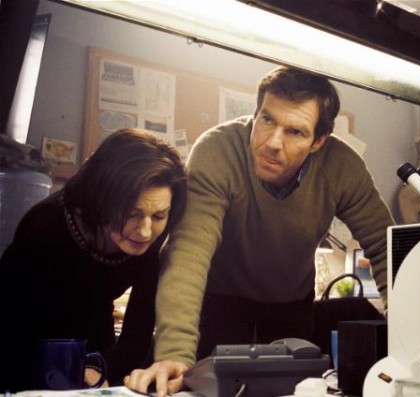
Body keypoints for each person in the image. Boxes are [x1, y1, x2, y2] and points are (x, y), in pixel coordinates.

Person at [125, 66, 395, 396]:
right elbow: (188, 252)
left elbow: (388, 249)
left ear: (318, 141)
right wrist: (174, 354)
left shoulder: (343, 167)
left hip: (291, 305)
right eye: (266, 120)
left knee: (297, 390)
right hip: (219, 299)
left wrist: (411, 338)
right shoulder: (217, 151)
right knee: (204, 387)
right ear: (255, 113)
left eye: (295, 132)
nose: (272, 143)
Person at [0, 128, 187, 391]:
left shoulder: (153, 240)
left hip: (96, 326)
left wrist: (100, 365)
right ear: (101, 198)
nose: (145, 231)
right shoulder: (44, 227)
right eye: (132, 213)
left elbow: (137, 335)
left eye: (158, 216)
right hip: (22, 333)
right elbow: (13, 331)